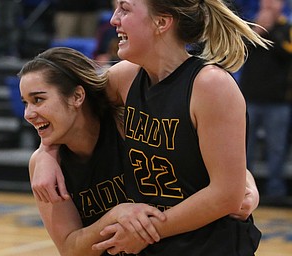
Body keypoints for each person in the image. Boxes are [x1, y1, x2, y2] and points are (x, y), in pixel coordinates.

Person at [32, 0, 270, 255]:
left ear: (161, 22)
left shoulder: (210, 85)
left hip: (208, 247)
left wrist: (148, 232)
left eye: (125, 9)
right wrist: (45, 154)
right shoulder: (125, 77)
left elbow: (226, 195)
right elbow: (69, 111)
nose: (113, 19)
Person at [19, 46, 167, 255]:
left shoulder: (124, 123)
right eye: (25, 103)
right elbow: (70, 249)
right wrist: (115, 215)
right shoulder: (42, 165)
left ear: (77, 96)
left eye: (38, 100)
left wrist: (46, 150)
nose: (28, 114)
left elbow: (151, 64)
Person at [239, 0, 292, 201]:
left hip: (278, 100)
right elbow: (238, 50)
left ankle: (275, 191)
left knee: (276, 148)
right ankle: (242, 190)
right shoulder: (250, 26)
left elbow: (287, 53)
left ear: (281, 6)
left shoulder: (286, 28)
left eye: (274, 1)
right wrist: (257, 31)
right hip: (249, 97)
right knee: (244, 147)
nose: (269, 5)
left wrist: (270, 30)